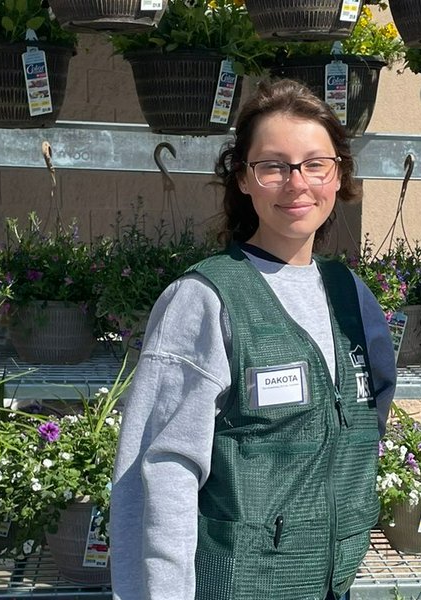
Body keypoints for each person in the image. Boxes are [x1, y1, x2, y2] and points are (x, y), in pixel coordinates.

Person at [110, 78, 397, 600]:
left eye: (315, 164)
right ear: (243, 178)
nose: (296, 184)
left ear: (338, 175)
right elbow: (160, 470)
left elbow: (365, 415)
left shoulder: (352, 296)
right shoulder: (204, 300)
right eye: (273, 166)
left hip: (334, 585)